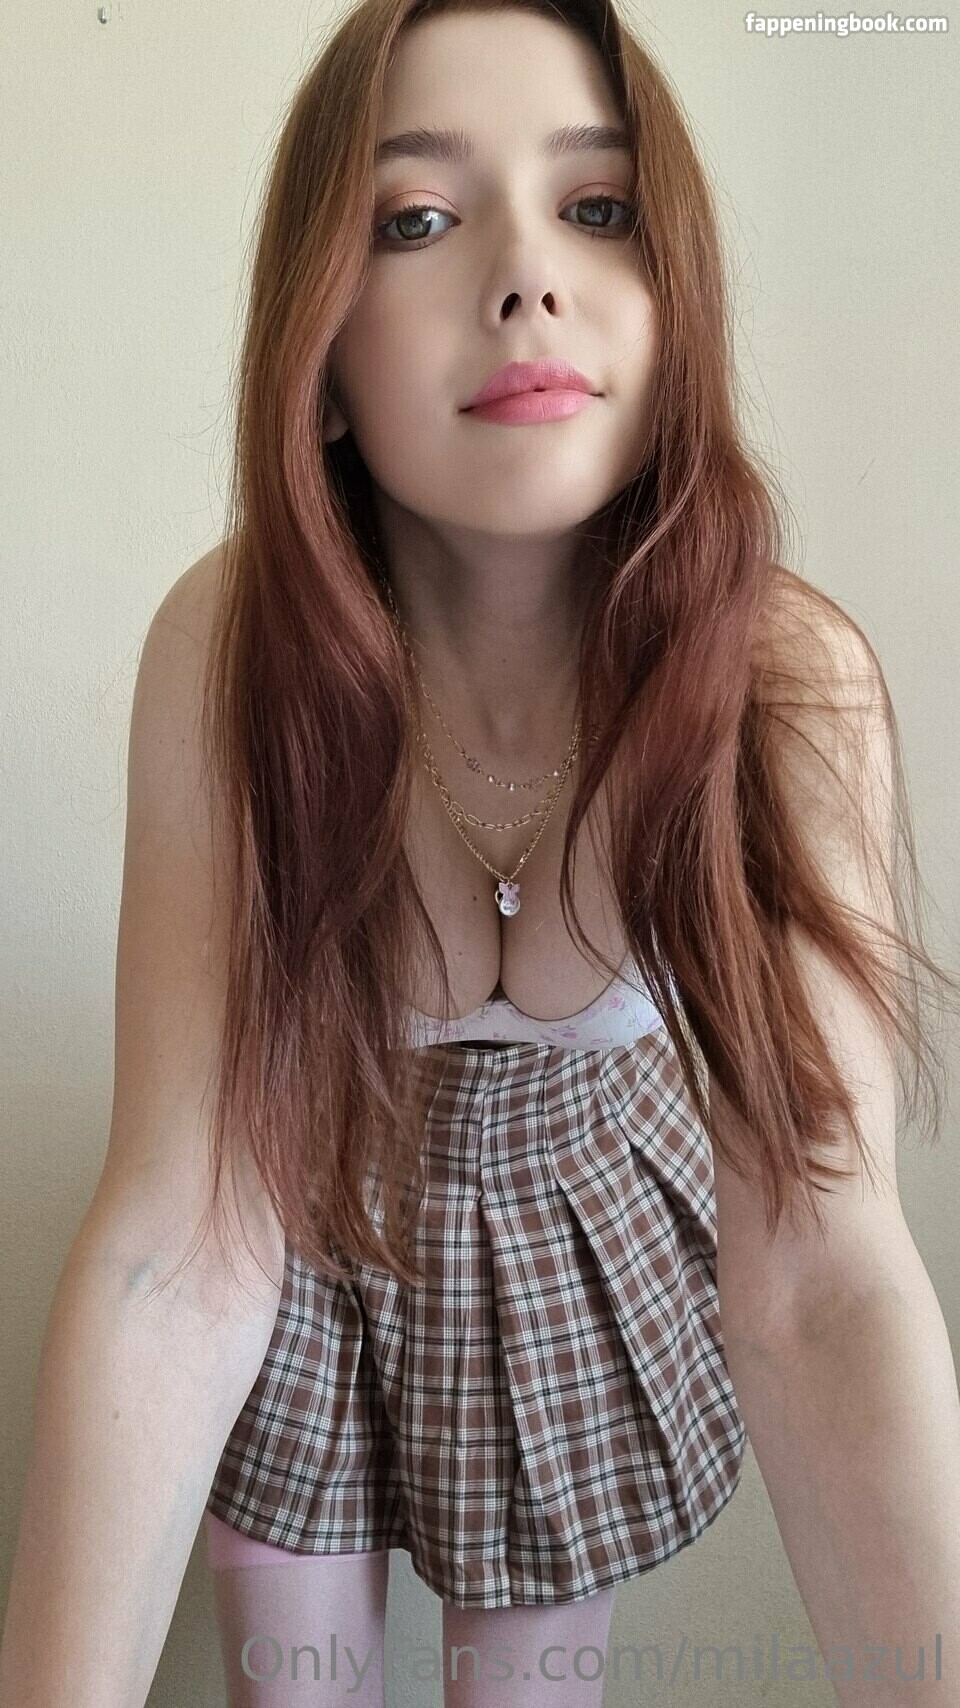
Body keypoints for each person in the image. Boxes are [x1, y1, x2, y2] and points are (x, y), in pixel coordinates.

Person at [2, 0, 958, 1705]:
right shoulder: (234, 652)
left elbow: (820, 1270)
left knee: (529, 1684)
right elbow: (175, 1246)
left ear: (678, 297)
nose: (527, 279)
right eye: (419, 219)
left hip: (573, 1229)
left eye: (599, 208)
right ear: (321, 343)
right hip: (307, 1204)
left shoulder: (781, 683)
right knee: (291, 1678)